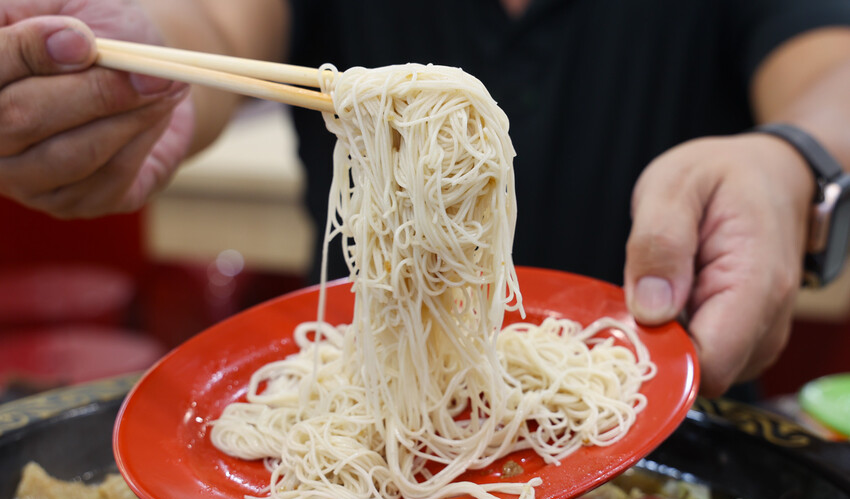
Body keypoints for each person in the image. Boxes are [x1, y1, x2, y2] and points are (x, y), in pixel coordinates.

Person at [2, 0, 850, 398]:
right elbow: (216, 35)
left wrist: (790, 159)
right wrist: (142, 74)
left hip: (661, 419)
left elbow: (832, 69)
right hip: (350, 426)